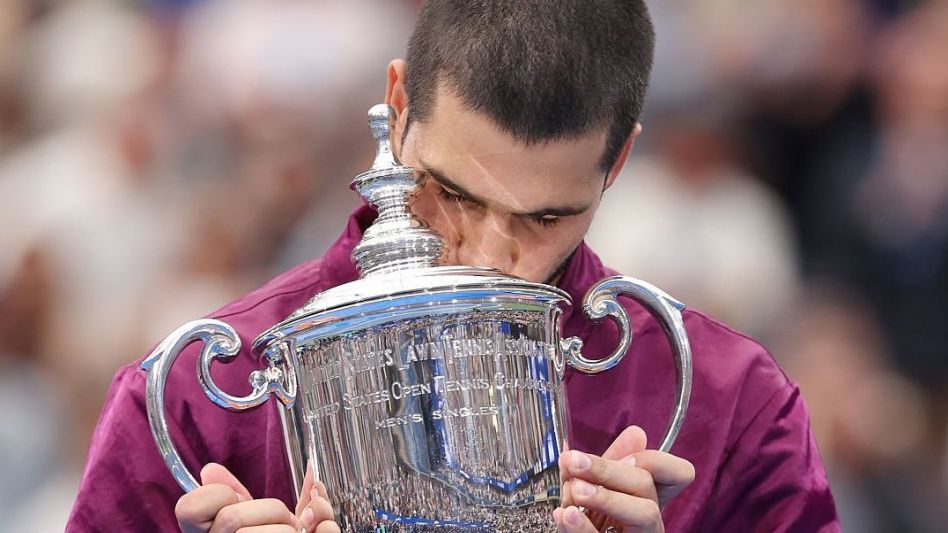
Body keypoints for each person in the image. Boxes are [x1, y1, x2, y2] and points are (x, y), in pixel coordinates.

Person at [67, 1, 839, 532]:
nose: (491, 255)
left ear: (621, 160)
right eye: (453, 193)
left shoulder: (731, 403)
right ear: (398, 106)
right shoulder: (197, 401)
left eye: (547, 217)